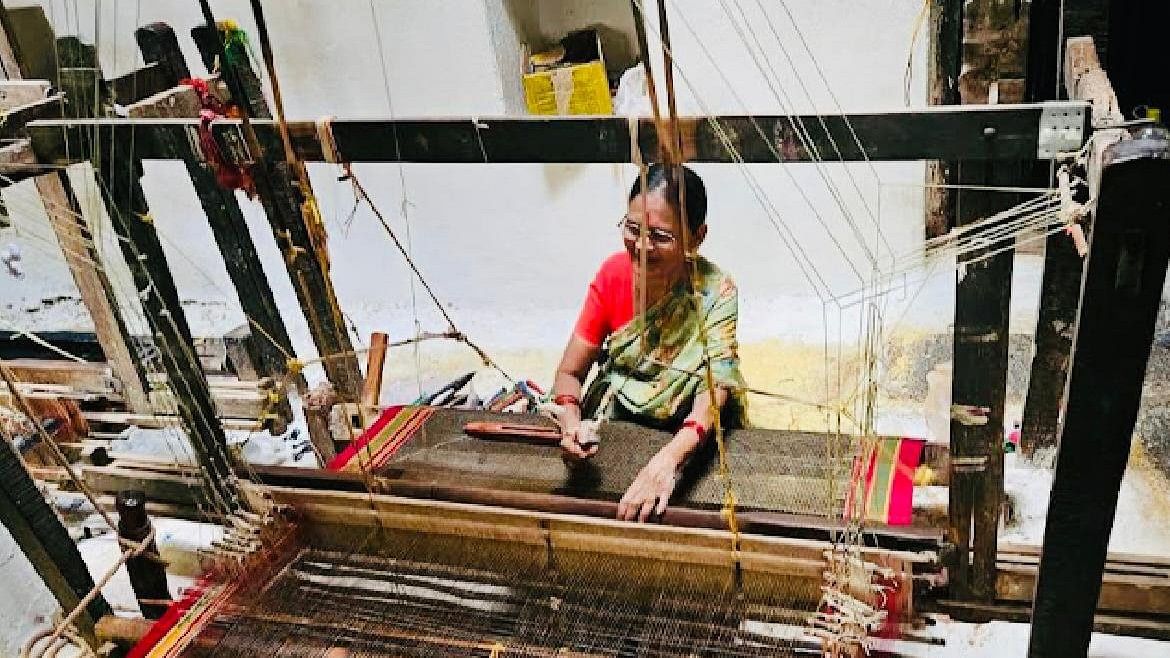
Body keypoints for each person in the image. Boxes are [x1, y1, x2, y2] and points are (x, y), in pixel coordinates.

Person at [548, 163, 747, 523]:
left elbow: (714, 387)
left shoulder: (715, 291)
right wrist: (571, 420)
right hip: (619, 423)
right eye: (633, 229)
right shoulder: (613, 275)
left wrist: (669, 460)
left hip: (687, 430)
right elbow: (569, 373)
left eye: (659, 236)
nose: (641, 246)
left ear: (697, 237)